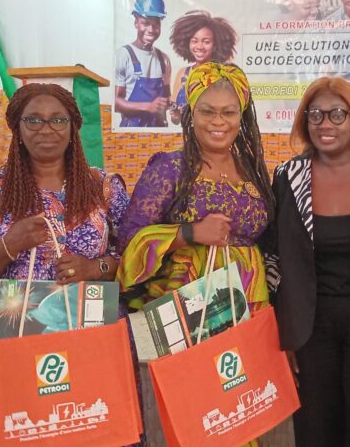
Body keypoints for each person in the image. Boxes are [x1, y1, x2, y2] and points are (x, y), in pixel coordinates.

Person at [264, 77, 350, 446]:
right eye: (316, 115)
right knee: (315, 431)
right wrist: (283, 332)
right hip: (309, 332)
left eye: (337, 114)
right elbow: (273, 257)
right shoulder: (287, 177)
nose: (325, 123)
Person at [0, 83, 129, 341]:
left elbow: (134, 259)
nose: (46, 129)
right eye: (33, 120)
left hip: (93, 327)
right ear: (18, 129)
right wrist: (11, 244)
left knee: (95, 369)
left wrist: (95, 267)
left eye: (58, 120)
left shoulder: (103, 187)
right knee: (24, 371)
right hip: (21, 331)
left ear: (72, 128)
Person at [117, 62, 274, 314]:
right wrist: (189, 233)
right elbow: (128, 241)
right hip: (185, 308)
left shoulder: (252, 170)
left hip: (249, 303)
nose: (218, 121)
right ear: (192, 113)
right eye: (207, 111)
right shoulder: (169, 168)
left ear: (241, 115)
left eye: (229, 112)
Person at [168, 10, 238, 126]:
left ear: (215, 45)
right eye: (194, 41)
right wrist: (176, 116)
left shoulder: (223, 74)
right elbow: (175, 120)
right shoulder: (182, 74)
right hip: (187, 135)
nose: (199, 46)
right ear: (187, 43)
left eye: (206, 42)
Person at [115, 0, 172, 128]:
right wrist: (148, 106)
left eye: (156, 24)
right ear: (136, 23)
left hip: (158, 131)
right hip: (131, 131)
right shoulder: (124, 55)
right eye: (145, 23)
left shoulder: (164, 60)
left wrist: (172, 107)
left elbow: (166, 98)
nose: (151, 29)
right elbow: (116, 103)